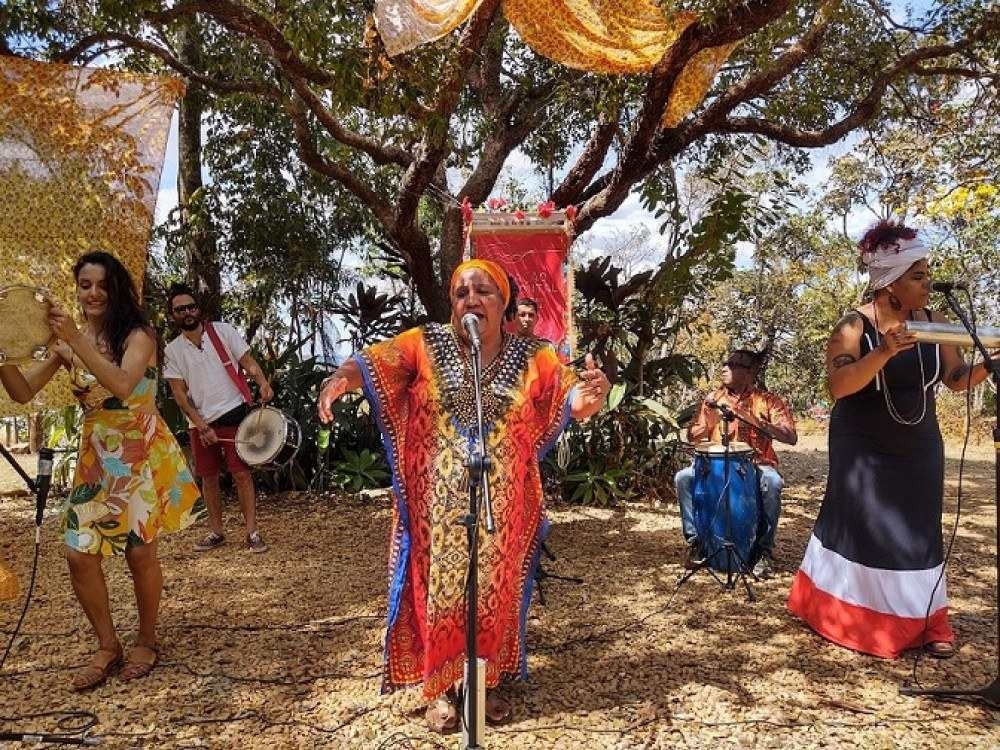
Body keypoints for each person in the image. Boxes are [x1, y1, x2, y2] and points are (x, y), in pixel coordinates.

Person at [317, 259, 610, 732]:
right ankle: (441, 687)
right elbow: (372, 362)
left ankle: (485, 683)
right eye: (461, 293)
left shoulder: (535, 354)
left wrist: (589, 398)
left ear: (504, 302)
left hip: (502, 506)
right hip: (437, 508)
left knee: (492, 592)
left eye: (484, 291)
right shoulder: (423, 343)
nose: (471, 300)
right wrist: (340, 380)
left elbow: (569, 394)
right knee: (443, 594)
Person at [787, 220, 998, 660]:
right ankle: (855, 619)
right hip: (862, 445)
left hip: (920, 444)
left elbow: (956, 379)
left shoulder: (936, 322)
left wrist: (990, 363)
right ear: (889, 284)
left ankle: (927, 620)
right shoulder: (853, 326)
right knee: (863, 526)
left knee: (919, 529)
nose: (928, 284)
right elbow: (839, 385)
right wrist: (883, 352)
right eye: (917, 276)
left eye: (927, 274)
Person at [0, 251, 206, 689]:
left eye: (102, 285)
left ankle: (147, 640)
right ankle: (108, 644)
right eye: (84, 285)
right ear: (76, 289)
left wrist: (75, 339)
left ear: (117, 290)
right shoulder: (69, 340)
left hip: (138, 449)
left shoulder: (140, 335)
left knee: (139, 553)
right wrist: (2, 353)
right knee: (78, 554)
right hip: (96, 456)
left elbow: (120, 384)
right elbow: (22, 392)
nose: (93, 293)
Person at [163, 284, 273, 553]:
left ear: (198, 309)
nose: (188, 312)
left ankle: (252, 532)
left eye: (191, 307)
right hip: (199, 423)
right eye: (180, 309)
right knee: (208, 478)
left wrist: (263, 383)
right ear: (172, 315)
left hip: (234, 414)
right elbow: (180, 396)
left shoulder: (223, 332)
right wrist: (201, 426)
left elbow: (248, 362)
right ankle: (216, 532)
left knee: (242, 474)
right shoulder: (172, 351)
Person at [674, 348, 797, 578]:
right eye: (725, 363)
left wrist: (757, 422)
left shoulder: (768, 401)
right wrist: (707, 421)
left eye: (733, 365)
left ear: (750, 372)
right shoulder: (713, 399)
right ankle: (696, 542)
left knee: (772, 483)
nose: (725, 368)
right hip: (715, 465)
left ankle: (763, 551)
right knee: (683, 478)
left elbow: (790, 437)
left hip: (758, 463)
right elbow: (692, 436)